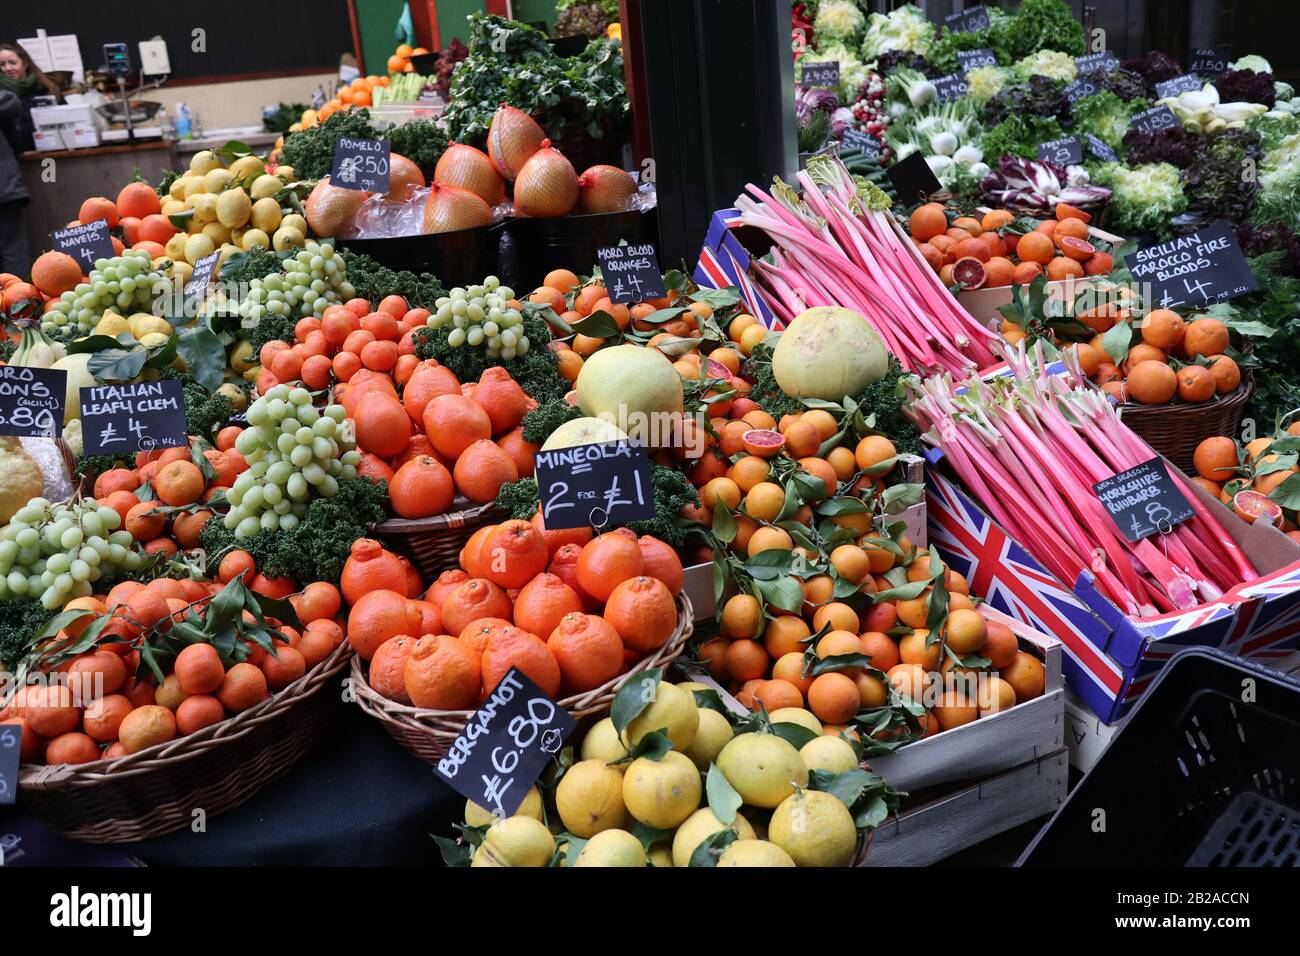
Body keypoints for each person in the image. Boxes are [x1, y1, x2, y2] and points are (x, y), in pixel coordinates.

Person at [0, 42, 57, 277]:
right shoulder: (6, 97)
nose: (7, 68)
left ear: (24, 63)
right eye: (2, 65)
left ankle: (18, 303)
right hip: (13, 177)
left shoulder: (44, 89)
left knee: (12, 250)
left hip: (47, 161)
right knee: (13, 250)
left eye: (12, 62)